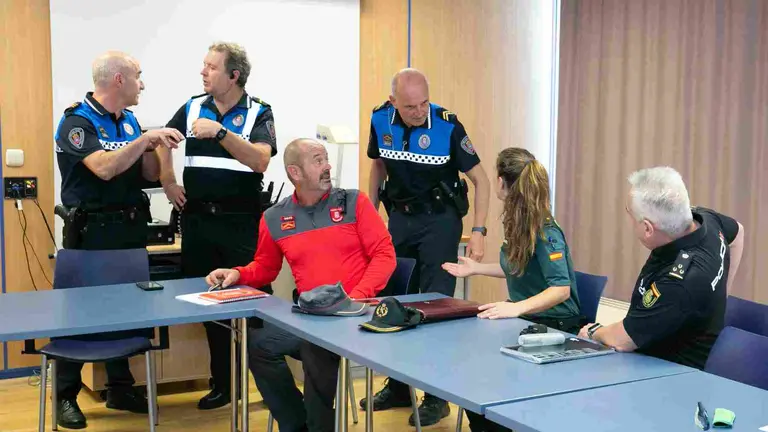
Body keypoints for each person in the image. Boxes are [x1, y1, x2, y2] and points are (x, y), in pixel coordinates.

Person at [206, 138, 396, 432]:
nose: (328, 166)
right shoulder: (274, 217)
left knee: (315, 349)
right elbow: (265, 267)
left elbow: (384, 256)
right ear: (295, 172)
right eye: (318, 161)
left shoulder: (355, 202)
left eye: (326, 159)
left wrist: (355, 298)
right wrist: (237, 274)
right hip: (311, 318)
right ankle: (297, 424)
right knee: (259, 345)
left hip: (357, 317)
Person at [53, 51, 183, 429]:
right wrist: (145, 139)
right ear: (119, 80)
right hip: (91, 232)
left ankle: (120, 388)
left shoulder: (129, 121)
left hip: (128, 228)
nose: (143, 84)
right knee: (78, 315)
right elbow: (105, 168)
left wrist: (156, 150)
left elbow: (145, 172)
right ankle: (65, 396)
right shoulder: (77, 120)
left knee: (129, 309)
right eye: (139, 76)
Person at [363, 68, 491, 427]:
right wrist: (370, 219)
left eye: (424, 103)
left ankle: (438, 397)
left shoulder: (448, 125)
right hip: (400, 220)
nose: (420, 112)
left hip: (440, 222)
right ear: (393, 103)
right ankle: (400, 386)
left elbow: (481, 181)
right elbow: (378, 169)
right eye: (410, 107)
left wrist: (478, 230)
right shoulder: (379, 119)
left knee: (434, 307)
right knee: (397, 303)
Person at [157, 41, 277, 410]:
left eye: (211, 67)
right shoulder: (193, 105)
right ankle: (224, 383)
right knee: (209, 306)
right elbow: (162, 139)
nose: (203, 72)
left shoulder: (259, 111)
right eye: (204, 65)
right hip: (198, 222)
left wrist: (221, 133)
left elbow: (260, 160)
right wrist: (167, 179)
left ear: (233, 75)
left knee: (257, 306)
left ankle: (272, 385)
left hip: (241, 222)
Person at [442, 148, 583, 432]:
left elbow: (561, 290)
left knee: (484, 380)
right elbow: (516, 267)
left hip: (555, 325)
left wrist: (514, 307)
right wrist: (476, 269)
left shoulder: (545, 231)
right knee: (470, 371)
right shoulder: (520, 222)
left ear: (502, 181)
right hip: (528, 320)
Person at [578, 166, 744, 370]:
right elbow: (738, 232)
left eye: (629, 213)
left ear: (648, 228)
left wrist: (595, 331)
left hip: (670, 374)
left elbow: (624, 340)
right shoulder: (706, 221)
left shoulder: (679, 282)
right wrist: (721, 292)